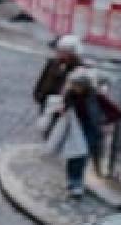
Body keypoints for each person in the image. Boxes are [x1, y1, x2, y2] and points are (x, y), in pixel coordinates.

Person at [41, 68, 104, 199]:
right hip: (75, 129)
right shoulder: (70, 94)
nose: (74, 87)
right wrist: (61, 110)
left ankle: (77, 182)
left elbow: (112, 111)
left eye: (77, 85)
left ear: (84, 85)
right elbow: (63, 108)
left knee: (82, 156)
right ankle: (74, 183)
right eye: (73, 85)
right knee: (75, 155)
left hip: (90, 129)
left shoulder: (95, 95)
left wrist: (106, 123)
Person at [33, 34, 84, 113]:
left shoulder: (78, 70)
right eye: (59, 50)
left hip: (60, 106)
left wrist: (65, 103)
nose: (58, 53)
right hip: (45, 100)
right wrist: (38, 93)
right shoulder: (53, 63)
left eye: (62, 51)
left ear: (71, 53)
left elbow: (76, 92)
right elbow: (43, 78)